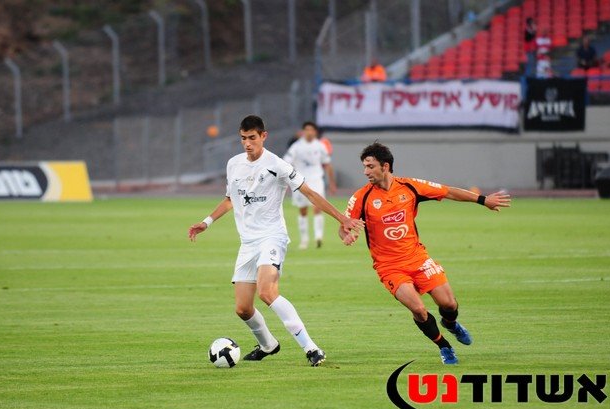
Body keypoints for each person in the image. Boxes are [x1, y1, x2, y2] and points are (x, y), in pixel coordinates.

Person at [188, 115, 363, 367]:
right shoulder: (233, 164)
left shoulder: (277, 165)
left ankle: (311, 348)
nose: (247, 143)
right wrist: (206, 222)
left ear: (263, 136)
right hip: (248, 243)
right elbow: (229, 199)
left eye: (252, 138)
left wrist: (342, 218)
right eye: (243, 138)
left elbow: (311, 193)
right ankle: (268, 345)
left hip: (272, 236)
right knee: (243, 309)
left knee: (267, 292)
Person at [339, 143, 511, 364]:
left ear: (385, 166)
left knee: (449, 304)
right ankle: (444, 346)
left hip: (418, 258)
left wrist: (483, 200)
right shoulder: (361, 197)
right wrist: (345, 234)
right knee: (419, 310)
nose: (365, 172)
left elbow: (448, 191)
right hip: (389, 267)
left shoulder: (410, 187)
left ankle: (450, 324)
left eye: (370, 166)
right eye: (364, 167)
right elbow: (344, 225)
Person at [283, 122, 337, 249]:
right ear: (303, 131)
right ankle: (304, 240)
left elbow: (327, 164)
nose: (309, 132)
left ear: (315, 132)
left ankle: (318, 237)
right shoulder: (296, 146)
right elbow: (286, 163)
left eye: (311, 130)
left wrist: (332, 183)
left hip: (316, 180)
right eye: (307, 129)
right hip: (300, 182)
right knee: (303, 210)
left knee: (318, 207)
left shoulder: (320, 146)